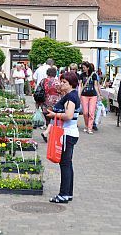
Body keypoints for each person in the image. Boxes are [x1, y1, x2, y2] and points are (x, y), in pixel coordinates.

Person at [46, 72, 80, 204]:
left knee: (65, 164)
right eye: (62, 81)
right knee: (67, 163)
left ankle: (64, 194)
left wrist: (55, 114)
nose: (61, 84)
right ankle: (68, 193)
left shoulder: (71, 97)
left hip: (67, 134)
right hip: (69, 133)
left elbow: (69, 115)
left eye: (64, 82)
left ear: (71, 84)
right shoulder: (70, 95)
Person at [40, 67, 61, 142]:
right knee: (54, 118)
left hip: (46, 100)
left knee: (47, 118)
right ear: (55, 74)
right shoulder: (57, 82)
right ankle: (50, 134)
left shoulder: (43, 81)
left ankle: (48, 131)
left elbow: (39, 91)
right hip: (56, 101)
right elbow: (60, 91)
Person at [79, 62, 101, 134]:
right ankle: (86, 125)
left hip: (93, 95)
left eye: (84, 67)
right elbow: (80, 85)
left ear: (88, 68)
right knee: (85, 112)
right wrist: (79, 94)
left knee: (91, 112)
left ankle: (89, 128)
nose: (83, 69)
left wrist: (98, 95)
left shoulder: (94, 75)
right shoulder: (81, 75)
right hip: (84, 95)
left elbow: (95, 85)